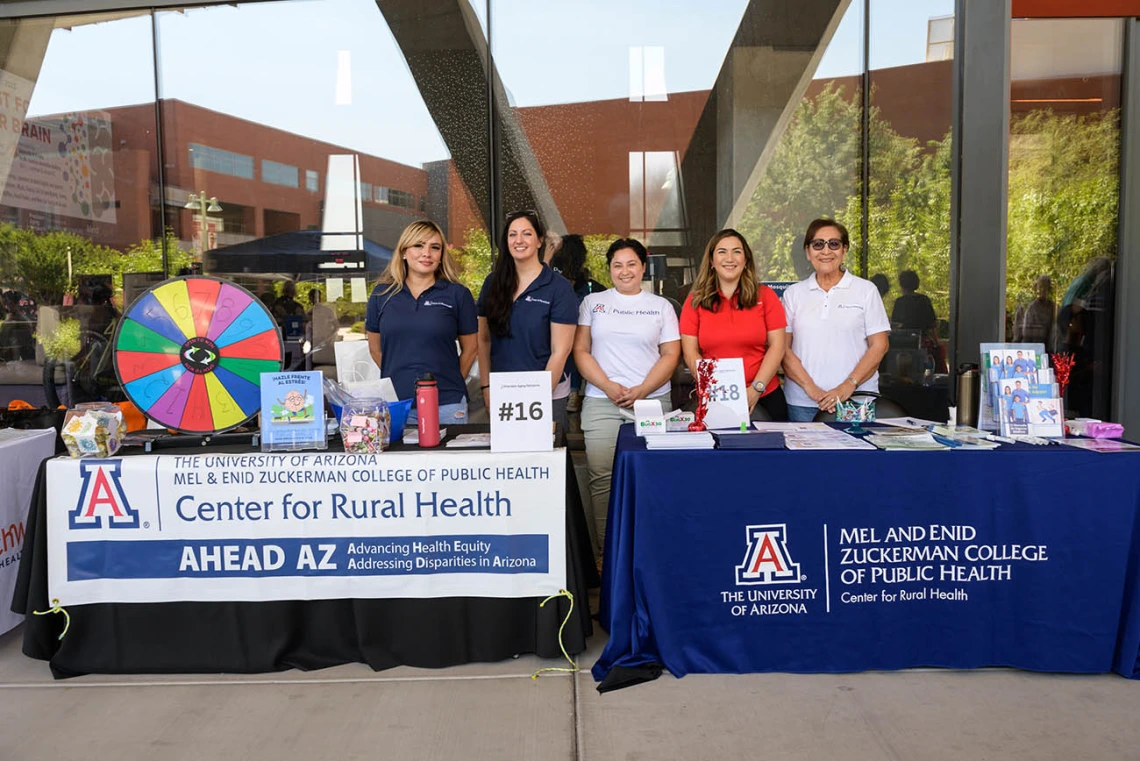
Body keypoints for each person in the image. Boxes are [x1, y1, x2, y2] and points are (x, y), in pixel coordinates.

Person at [574, 238, 680, 560]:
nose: (624, 271)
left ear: (643, 267)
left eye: (631, 264)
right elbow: (580, 351)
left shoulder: (661, 306)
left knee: (653, 475)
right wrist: (607, 385)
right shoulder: (593, 302)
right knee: (602, 478)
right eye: (617, 265)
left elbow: (671, 354)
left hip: (650, 403)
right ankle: (609, 556)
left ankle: (650, 552)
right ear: (609, 269)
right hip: (601, 401)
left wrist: (643, 390)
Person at [365, 220, 477, 425]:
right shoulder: (381, 295)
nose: (427, 253)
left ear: (441, 255)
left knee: (449, 459)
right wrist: (401, 376)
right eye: (419, 245)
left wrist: (449, 380)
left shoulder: (458, 294)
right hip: (399, 403)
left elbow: (471, 349)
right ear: (404, 252)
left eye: (435, 247)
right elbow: (376, 350)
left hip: (448, 403)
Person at [477, 209, 577, 436]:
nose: (519, 240)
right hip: (502, 392)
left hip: (546, 395)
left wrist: (535, 398)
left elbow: (560, 351)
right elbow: (483, 340)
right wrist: (486, 388)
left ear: (540, 240)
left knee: (546, 466)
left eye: (526, 234)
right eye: (512, 235)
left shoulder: (558, 288)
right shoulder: (493, 282)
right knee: (507, 466)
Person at [782, 218, 890, 422]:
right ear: (807, 252)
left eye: (834, 244)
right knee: (808, 455)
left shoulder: (866, 291)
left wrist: (848, 385)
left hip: (856, 400)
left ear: (844, 250)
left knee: (854, 454)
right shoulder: (793, 294)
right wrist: (811, 389)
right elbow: (783, 348)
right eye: (818, 244)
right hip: (803, 403)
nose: (826, 251)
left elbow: (880, 345)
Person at [679, 228, 788, 421]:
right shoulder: (695, 301)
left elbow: (778, 346)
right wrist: (712, 389)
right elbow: (690, 352)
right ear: (712, 262)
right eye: (722, 252)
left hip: (764, 395)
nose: (730, 258)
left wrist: (756, 389)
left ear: (746, 261)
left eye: (737, 251)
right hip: (713, 396)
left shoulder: (766, 296)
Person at [550, 234, 606, 412]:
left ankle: (571, 392)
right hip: (581, 328)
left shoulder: (551, 275)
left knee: (564, 348)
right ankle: (573, 392)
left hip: (558, 329)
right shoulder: (586, 283)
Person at [1013, 275, 1056, 351]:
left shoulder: (1053, 307)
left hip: (1048, 348)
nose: (1043, 290)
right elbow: (1026, 333)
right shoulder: (1032, 307)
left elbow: (1054, 332)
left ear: (1049, 289)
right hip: (1032, 347)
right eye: (1041, 286)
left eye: (1046, 286)